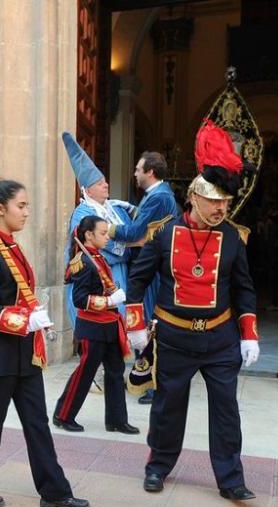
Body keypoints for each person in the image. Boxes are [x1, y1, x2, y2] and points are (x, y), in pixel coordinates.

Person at [124, 121, 259, 500]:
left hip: (220, 338)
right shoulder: (164, 234)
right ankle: (157, 467)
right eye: (214, 201)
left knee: (226, 412)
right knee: (168, 408)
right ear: (195, 199)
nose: (221, 208)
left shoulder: (234, 236)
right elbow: (137, 280)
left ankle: (231, 480)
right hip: (174, 338)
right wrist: (135, 325)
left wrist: (248, 334)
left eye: (225, 203)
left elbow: (245, 289)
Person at [0, 174, 89, 507]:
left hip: (24, 355)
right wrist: (23, 321)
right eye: (21, 205)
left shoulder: (12, 247)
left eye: (27, 205)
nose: (27, 211)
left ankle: (54, 491)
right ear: (0, 208)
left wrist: (34, 316)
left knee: (37, 423)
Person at [53, 215, 137, 435]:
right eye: (102, 233)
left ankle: (117, 420)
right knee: (86, 372)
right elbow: (79, 299)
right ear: (88, 235)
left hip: (109, 325)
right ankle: (63, 415)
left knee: (116, 372)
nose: (107, 237)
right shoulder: (83, 261)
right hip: (92, 326)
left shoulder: (98, 258)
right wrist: (110, 301)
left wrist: (113, 294)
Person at [61, 132, 140, 327]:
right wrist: (127, 249)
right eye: (99, 183)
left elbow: (131, 233)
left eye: (104, 181)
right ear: (88, 190)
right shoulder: (82, 213)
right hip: (96, 278)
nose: (106, 185)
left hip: (120, 276)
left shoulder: (117, 209)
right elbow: (93, 248)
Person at [130, 151, 183, 405]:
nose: (135, 173)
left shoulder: (157, 196)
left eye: (139, 169)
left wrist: (105, 227)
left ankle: (153, 381)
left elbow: (137, 231)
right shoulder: (160, 195)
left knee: (151, 322)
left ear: (150, 172)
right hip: (156, 265)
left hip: (152, 267)